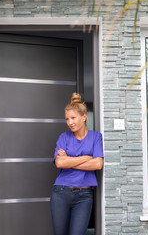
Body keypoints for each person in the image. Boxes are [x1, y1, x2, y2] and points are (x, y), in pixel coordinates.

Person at [50, 92, 104, 235]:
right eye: (67, 119)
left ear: (84, 117)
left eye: (73, 118)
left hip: (84, 196)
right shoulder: (64, 137)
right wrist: (87, 157)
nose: (70, 122)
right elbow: (60, 162)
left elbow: (98, 164)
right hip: (61, 193)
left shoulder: (96, 137)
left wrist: (70, 160)